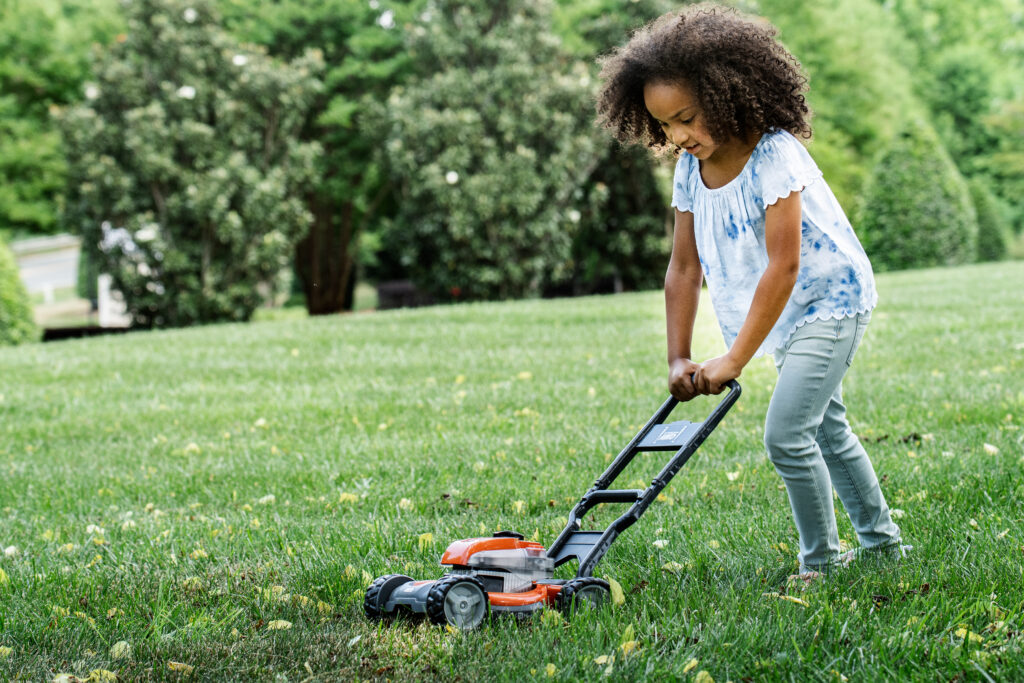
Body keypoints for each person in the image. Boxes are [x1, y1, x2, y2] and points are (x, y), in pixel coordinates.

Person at [595, 3, 906, 581]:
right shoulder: (690, 170)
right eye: (664, 126)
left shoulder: (774, 154)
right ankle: (883, 547)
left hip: (828, 301)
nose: (677, 136)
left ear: (726, 92)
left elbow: (784, 266)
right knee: (826, 426)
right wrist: (678, 357)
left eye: (686, 117)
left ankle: (821, 563)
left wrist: (733, 359)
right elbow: (683, 270)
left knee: (789, 434)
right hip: (787, 316)